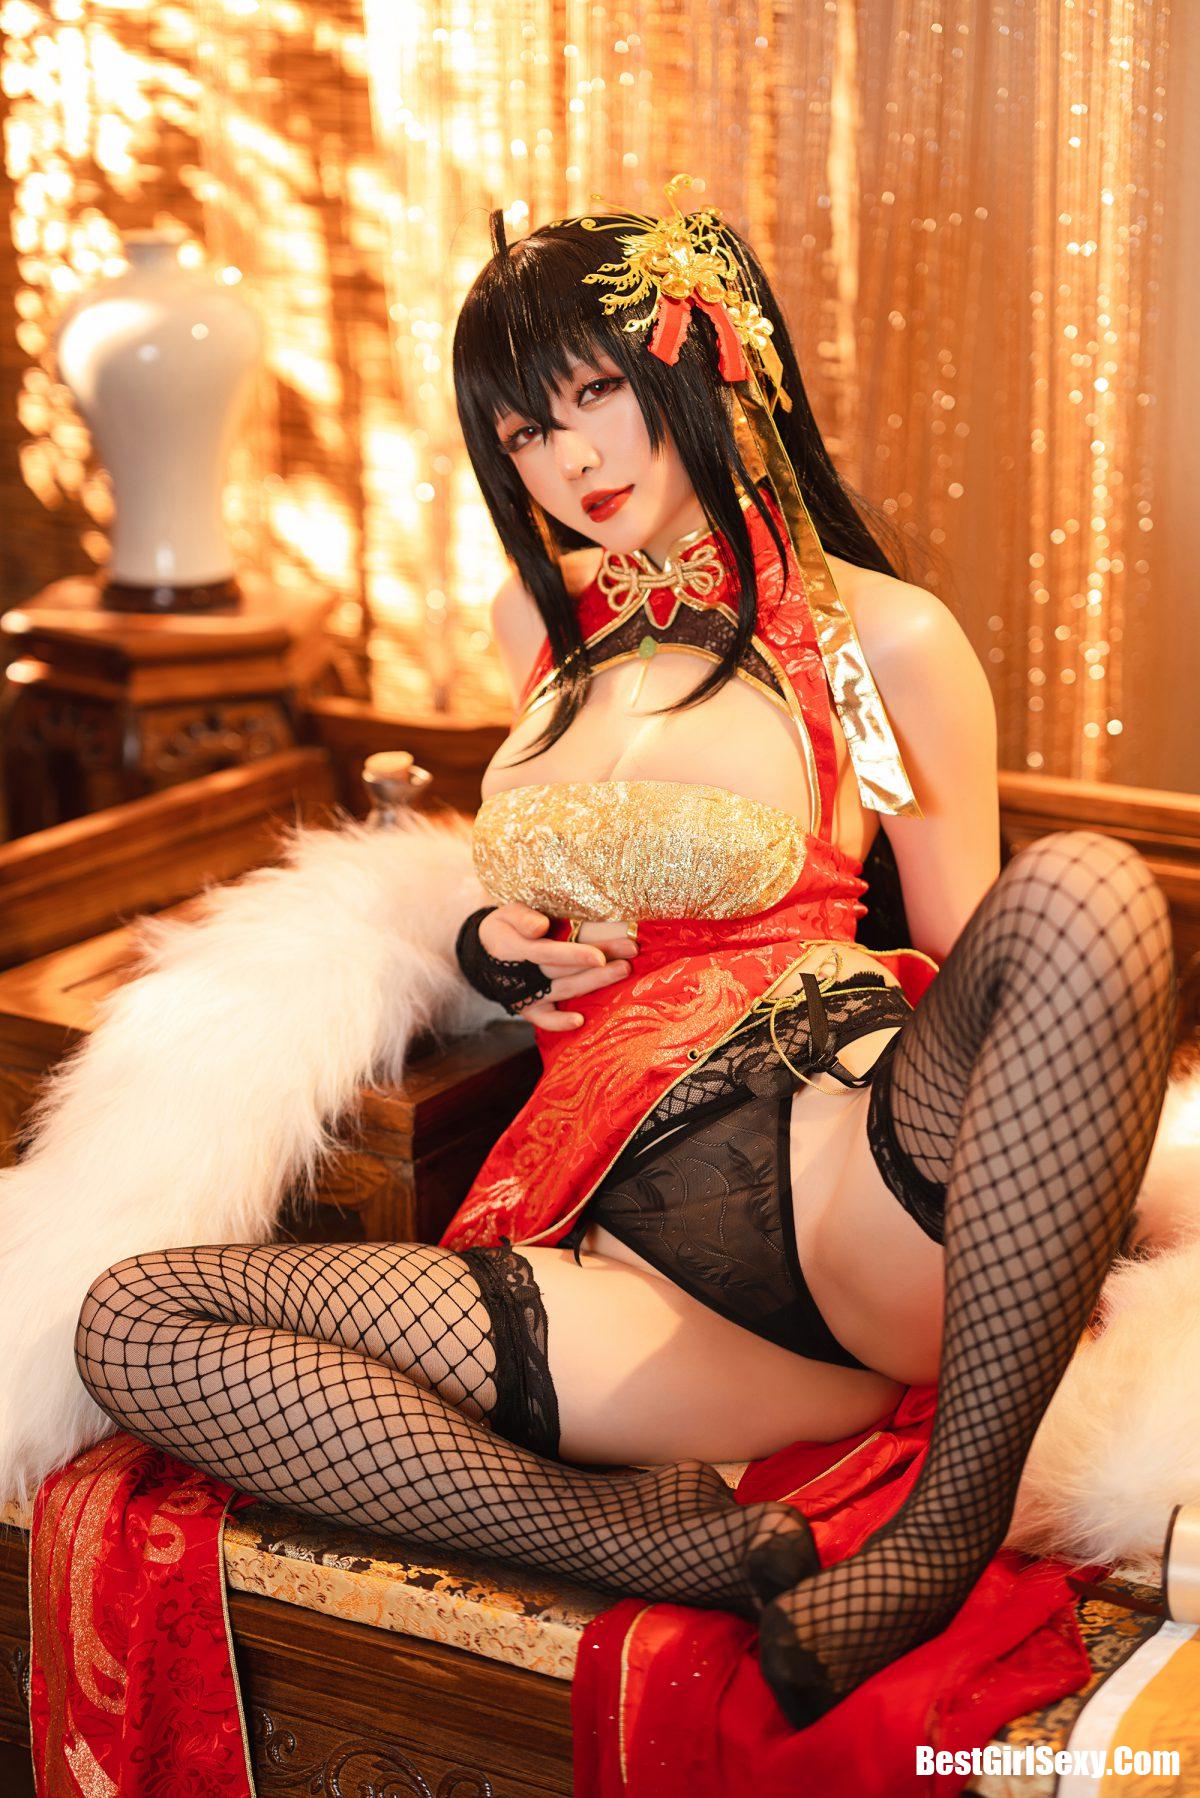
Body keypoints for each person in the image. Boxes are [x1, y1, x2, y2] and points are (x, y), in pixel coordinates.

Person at [72, 185, 1176, 1730]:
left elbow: (969, 940)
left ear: (705, 362)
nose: (572, 459)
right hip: (623, 1255)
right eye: (526, 431)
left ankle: (943, 1527)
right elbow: (508, 884)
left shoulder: (876, 640)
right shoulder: (541, 630)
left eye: (596, 393)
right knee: (128, 1320)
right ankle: (660, 1540)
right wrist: (478, 943)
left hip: (844, 1174)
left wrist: (1075, 1187)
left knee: (1090, 889)